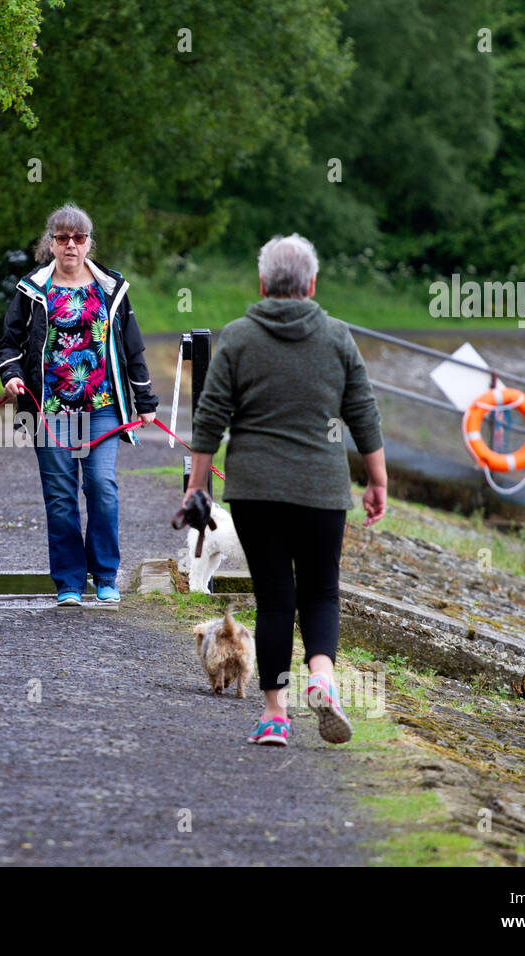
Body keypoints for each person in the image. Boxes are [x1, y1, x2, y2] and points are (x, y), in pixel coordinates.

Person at [185, 234, 388, 746]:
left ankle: (275, 717)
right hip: (322, 490)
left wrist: (196, 487)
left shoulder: (237, 337)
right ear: (313, 284)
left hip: (256, 491)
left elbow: (209, 419)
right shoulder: (338, 337)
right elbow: (363, 412)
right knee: (321, 591)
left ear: (262, 283)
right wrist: (378, 479)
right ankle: (322, 677)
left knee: (275, 599)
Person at [0, 203, 159, 606]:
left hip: (102, 406)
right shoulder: (32, 288)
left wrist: (145, 400)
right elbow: (9, 343)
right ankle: (69, 582)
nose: (71, 245)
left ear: (89, 242)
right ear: (50, 243)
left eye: (79, 238)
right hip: (49, 408)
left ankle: (105, 575)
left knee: (102, 487)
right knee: (60, 495)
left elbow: (132, 347)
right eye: (63, 238)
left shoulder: (110, 287)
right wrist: (12, 375)